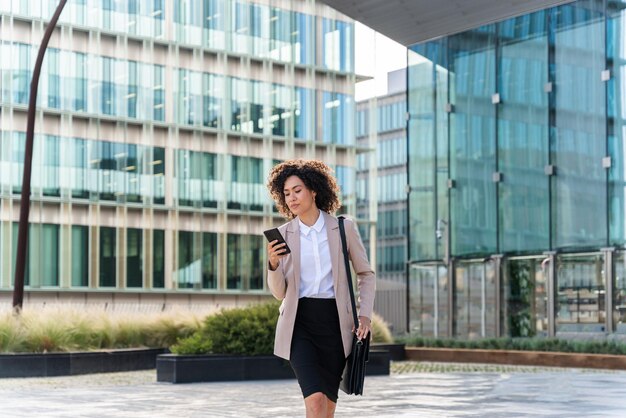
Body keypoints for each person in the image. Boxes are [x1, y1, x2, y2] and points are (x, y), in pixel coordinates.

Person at [265, 159, 376, 418]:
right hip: (299, 324)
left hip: (337, 326)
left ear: (314, 190)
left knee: (326, 408)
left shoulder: (342, 228)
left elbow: (366, 274)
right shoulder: (282, 234)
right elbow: (279, 293)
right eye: (286, 193)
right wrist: (272, 265)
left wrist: (365, 315)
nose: (291, 197)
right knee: (314, 401)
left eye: (297, 190)